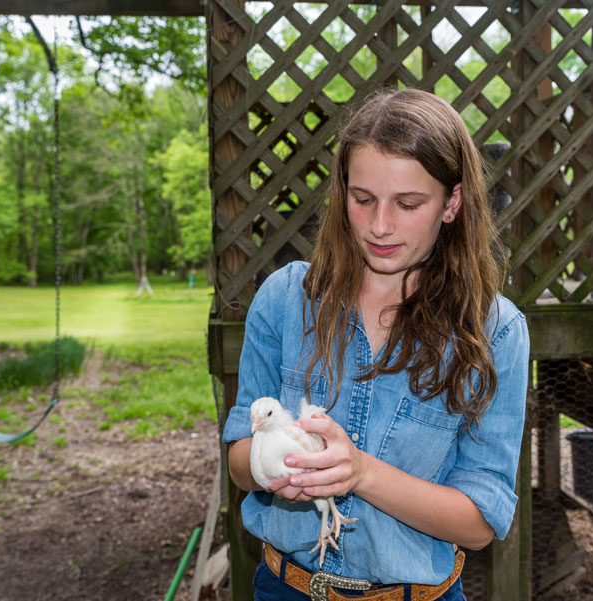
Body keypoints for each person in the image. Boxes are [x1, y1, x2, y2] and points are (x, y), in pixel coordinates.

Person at [221, 88, 529, 601]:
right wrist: (270, 470)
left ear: (452, 203)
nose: (380, 225)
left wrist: (360, 472)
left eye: (408, 204)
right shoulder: (284, 299)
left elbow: (479, 522)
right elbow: (238, 459)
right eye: (363, 199)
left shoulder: (494, 330)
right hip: (286, 588)